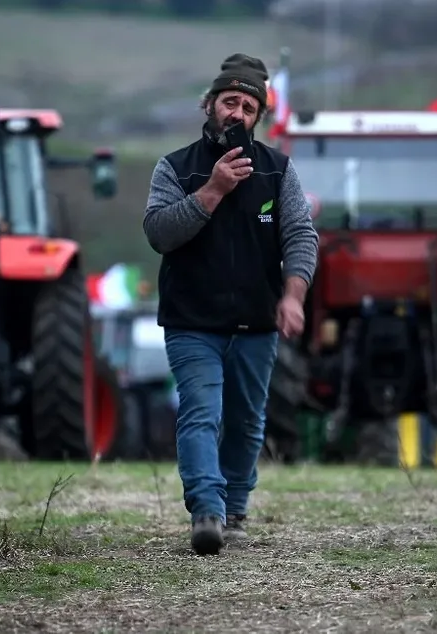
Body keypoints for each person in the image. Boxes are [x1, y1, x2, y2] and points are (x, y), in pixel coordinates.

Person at [142, 53, 319, 555]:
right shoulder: (175, 167)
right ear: (210, 105)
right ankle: (207, 511)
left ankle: (235, 507)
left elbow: (301, 236)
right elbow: (158, 233)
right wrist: (213, 190)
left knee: (245, 420)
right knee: (201, 412)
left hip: (257, 321)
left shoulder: (277, 171)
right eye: (229, 102)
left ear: (258, 116)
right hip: (192, 320)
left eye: (248, 106)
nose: (236, 113)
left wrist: (293, 297)